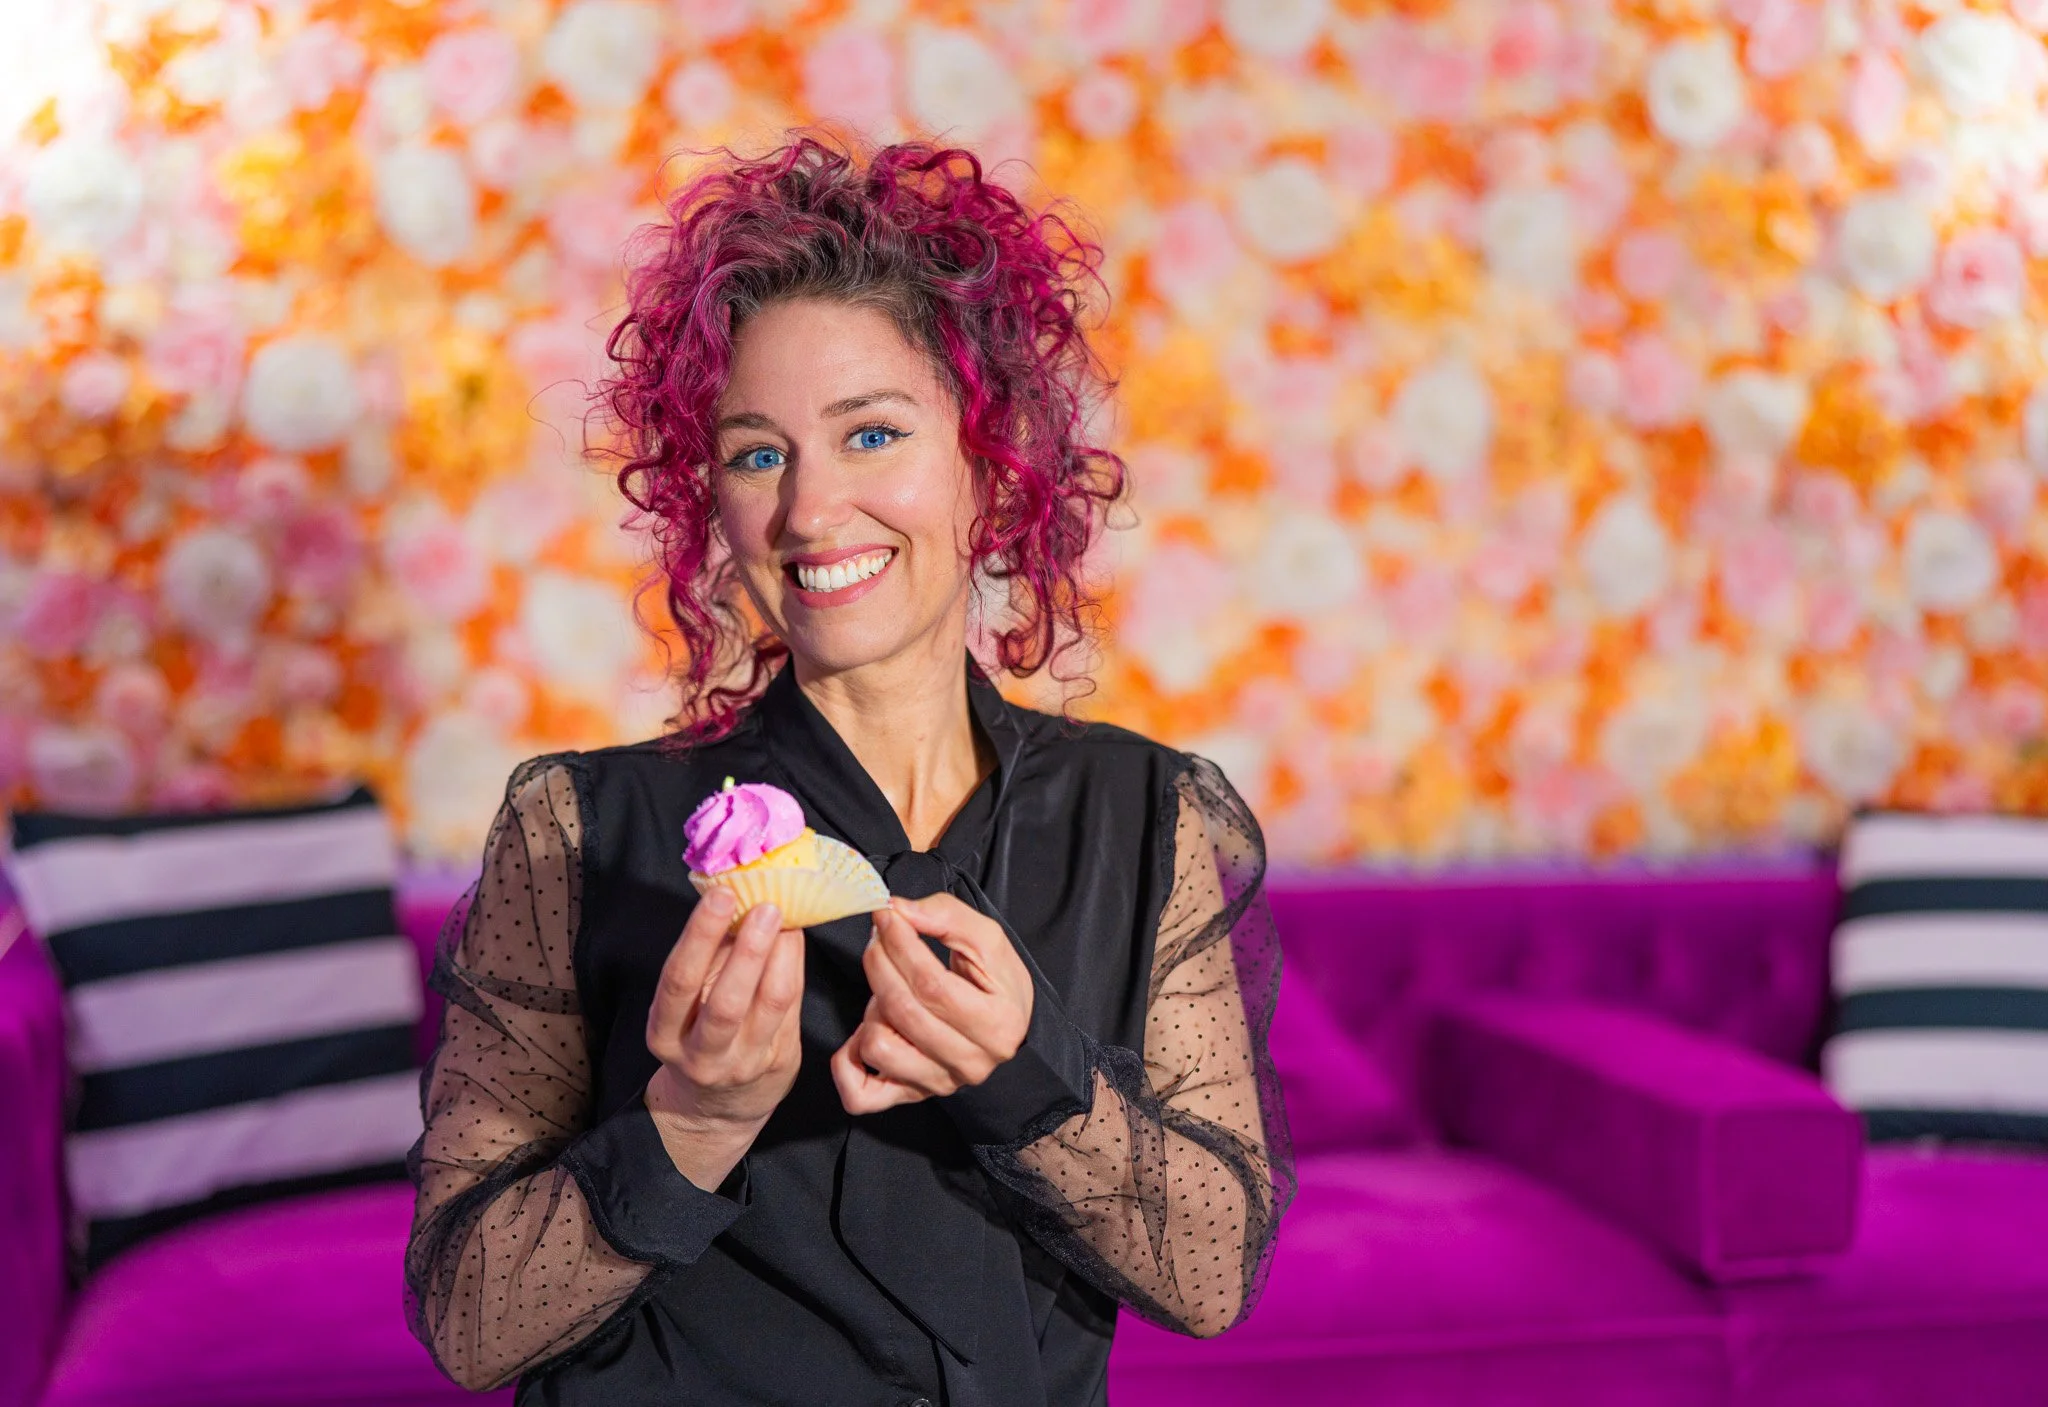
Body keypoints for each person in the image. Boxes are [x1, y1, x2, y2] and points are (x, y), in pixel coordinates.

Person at [403, 133, 1294, 1407]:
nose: (810, 513)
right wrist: (688, 1128)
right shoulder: (577, 829)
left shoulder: (1152, 820)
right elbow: (467, 1319)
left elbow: (1210, 1278)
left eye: (870, 435)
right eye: (757, 454)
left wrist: (1030, 1079)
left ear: (991, 473)